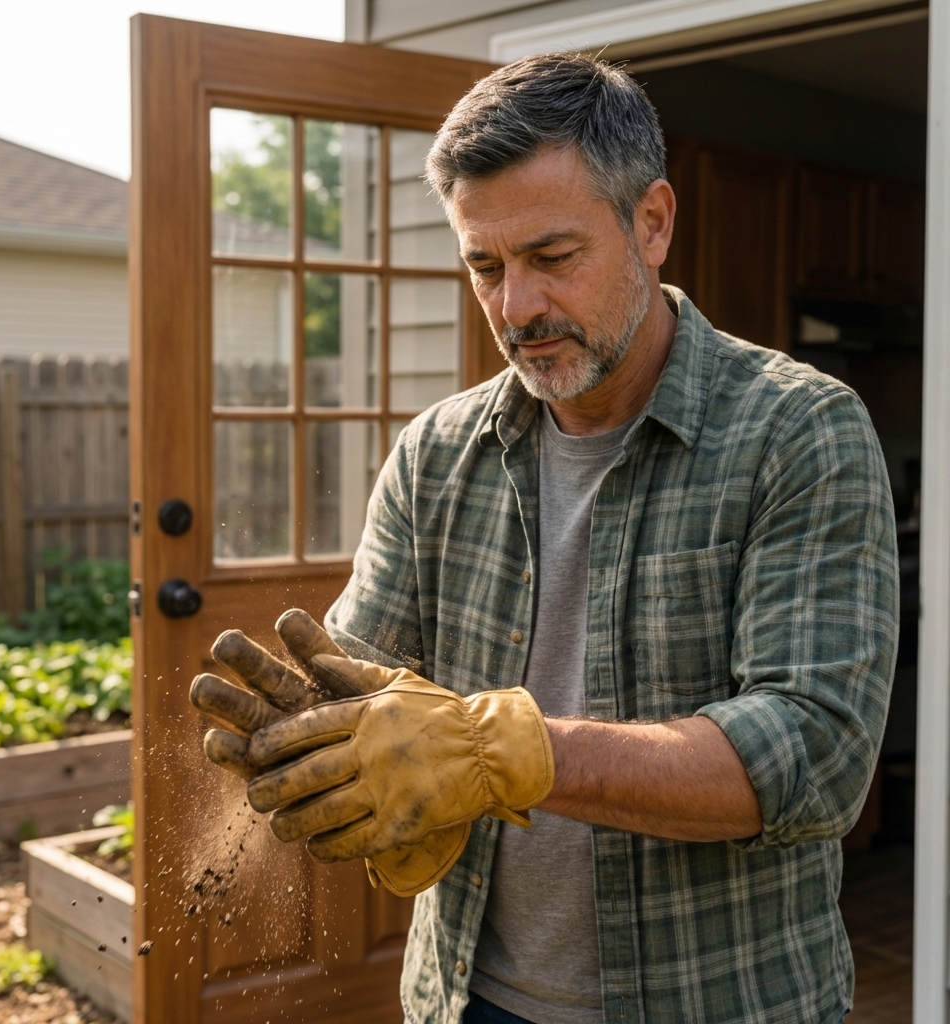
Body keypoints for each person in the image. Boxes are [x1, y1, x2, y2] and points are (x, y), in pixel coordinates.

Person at [193, 53, 898, 1024]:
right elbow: (365, 694)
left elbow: (813, 755)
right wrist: (323, 746)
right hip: (466, 998)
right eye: (485, 264)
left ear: (651, 223)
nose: (515, 307)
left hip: (719, 1002)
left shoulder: (796, 430)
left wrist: (510, 750)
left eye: (551, 258)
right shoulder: (436, 454)